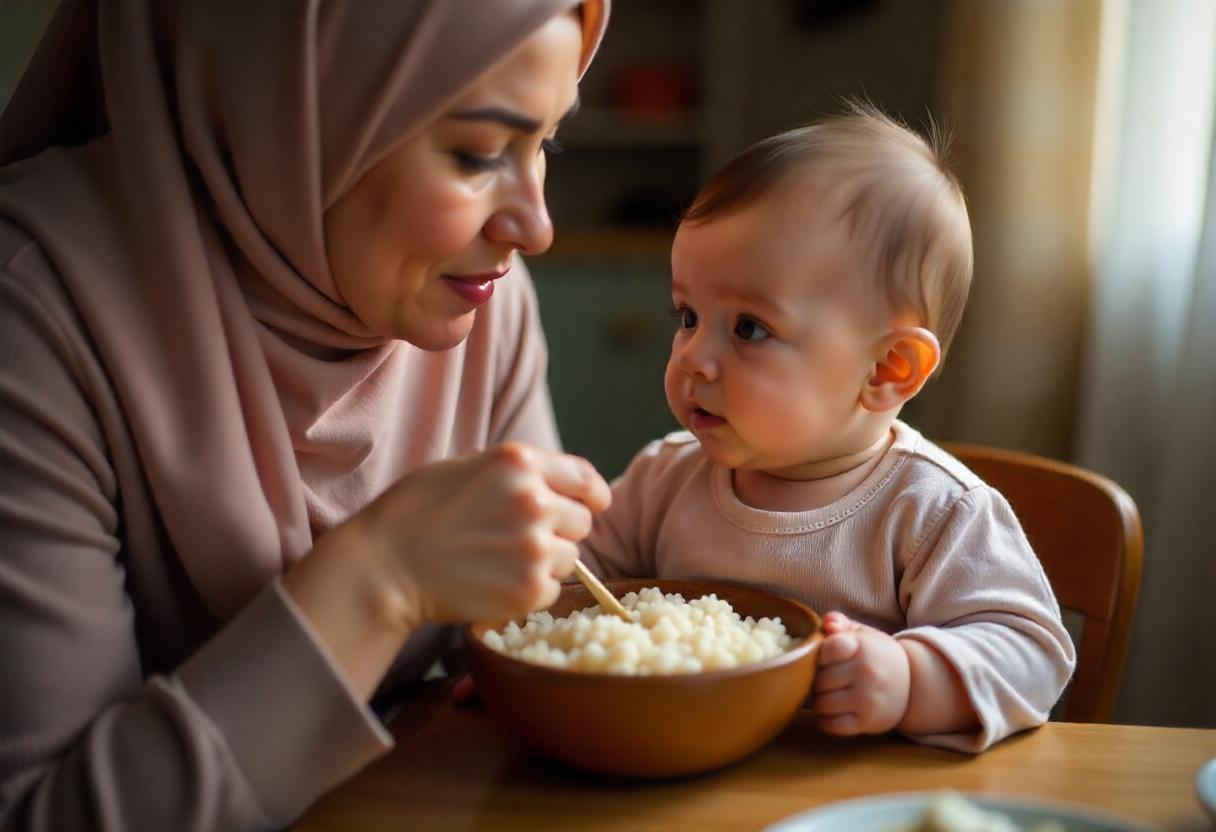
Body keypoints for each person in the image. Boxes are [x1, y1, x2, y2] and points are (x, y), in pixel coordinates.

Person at [0, 1, 612, 829]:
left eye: (549, 143)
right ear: (288, 110)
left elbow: (545, 635)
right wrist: (379, 578)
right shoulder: (34, 310)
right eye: (476, 154)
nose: (536, 227)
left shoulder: (479, 302)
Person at [579, 103, 1076, 753]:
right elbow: (576, 578)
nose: (693, 357)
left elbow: (1033, 654)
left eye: (749, 328)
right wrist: (537, 656)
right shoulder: (665, 478)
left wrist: (909, 678)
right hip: (671, 772)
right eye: (688, 315)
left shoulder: (932, 512)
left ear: (888, 367)